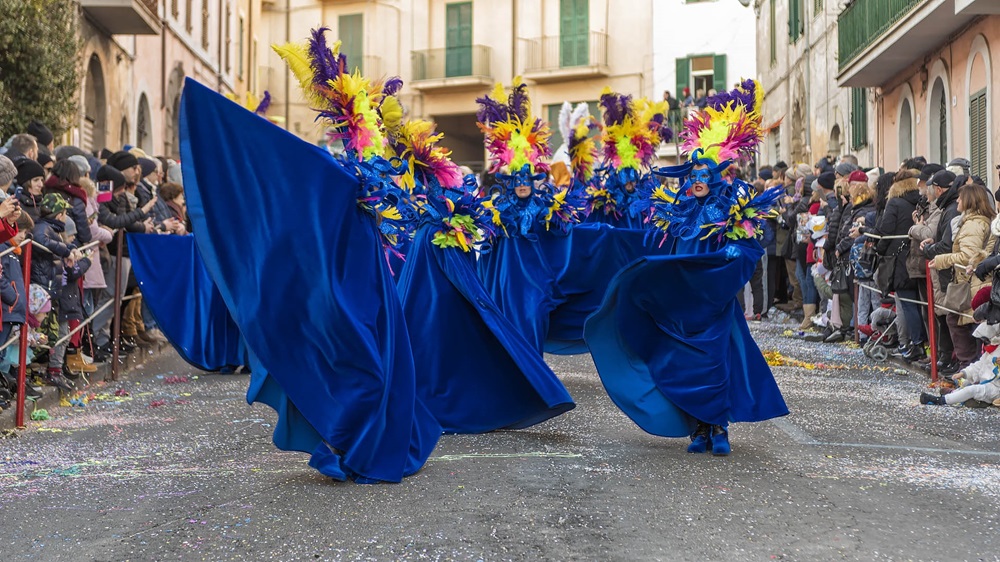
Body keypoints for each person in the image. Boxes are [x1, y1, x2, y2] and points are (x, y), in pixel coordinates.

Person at [585, 79, 788, 456]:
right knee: (683, 364)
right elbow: (656, 247)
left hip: (714, 302)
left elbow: (747, 248)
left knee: (715, 362)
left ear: (713, 179)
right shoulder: (675, 211)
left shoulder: (730, 211)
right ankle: (697, 430)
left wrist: (731, 258)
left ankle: (719, 428)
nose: (695, 182)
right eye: (691, 177)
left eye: (702, 177)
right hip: (680, 303)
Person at [928, 184, 996, 368]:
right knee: (965, 323)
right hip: (973, 281)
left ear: (969, 201)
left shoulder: (973, 224)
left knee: (963, 323)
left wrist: (941, 259)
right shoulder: (976, 221)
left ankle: (967, 367)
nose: (957, 200)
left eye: (960, 198)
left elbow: (968, 256)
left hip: (972, 282)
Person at [921, 323, 1000, 406]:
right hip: (985, 382)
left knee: (972, 390)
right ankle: (955, 394)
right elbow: (979, 365)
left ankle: (942, 400)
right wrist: (964, 373)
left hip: (996, 388)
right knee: (967, 382)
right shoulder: (991, 351)